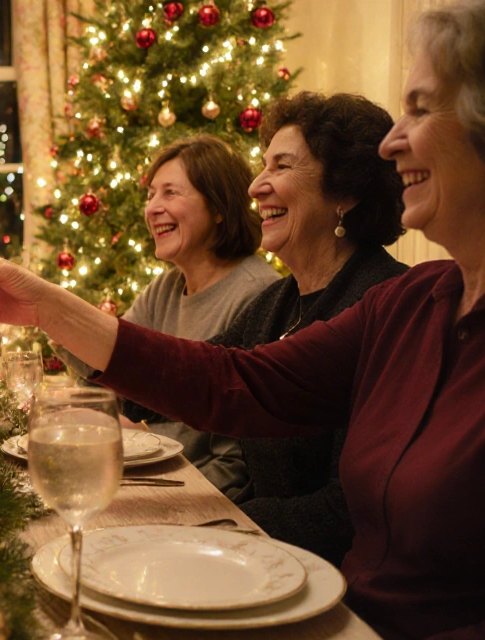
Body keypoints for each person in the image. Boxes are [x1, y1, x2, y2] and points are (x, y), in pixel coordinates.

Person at [0, 0, 485, 640]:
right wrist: (47, 306)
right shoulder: (410, 304)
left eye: (421, 109)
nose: (393, 141)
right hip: (326, 632)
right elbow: (237, 383)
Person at [129, 93, 408, 565]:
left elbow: (349, 509)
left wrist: (220, 529)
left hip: (335, 586)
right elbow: (186, 379)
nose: (257, 185)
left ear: (345, 191)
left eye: (281, 166)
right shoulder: (274, 304)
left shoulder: (387, 301)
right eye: (263, 165)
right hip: (269, 560)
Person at [61, 135, 279, 492]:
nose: (151, 208)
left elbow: (236, 463)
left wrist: (139, 437)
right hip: (144, 480)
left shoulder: (256, 294)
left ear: (220, 207)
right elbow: (109, 366)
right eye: (150, 195)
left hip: (198, 503)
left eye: (171, 193)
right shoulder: (165, 288)